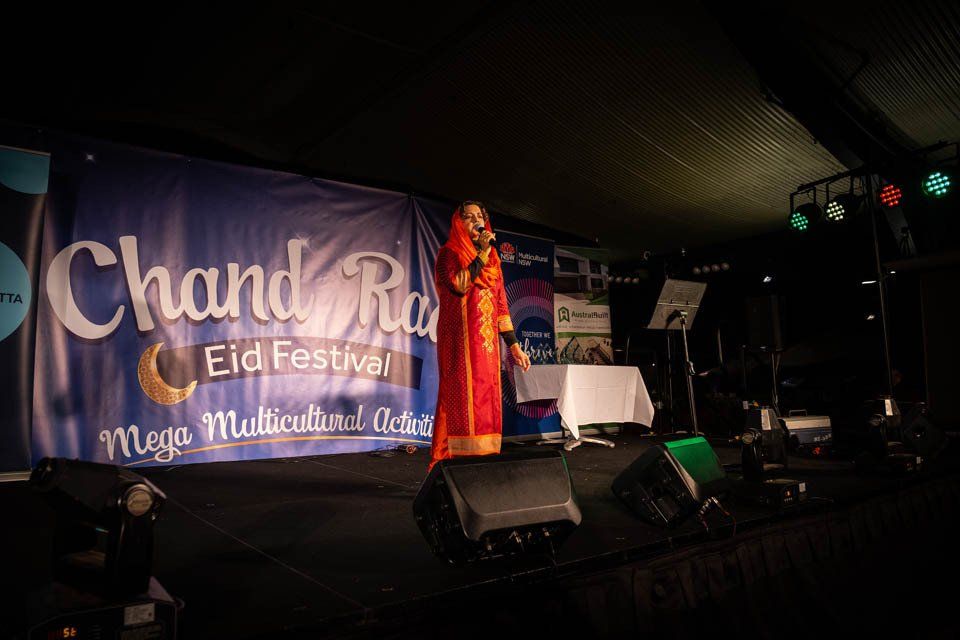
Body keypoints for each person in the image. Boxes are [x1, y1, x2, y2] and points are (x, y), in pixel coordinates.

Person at [429, 201, 531, 470]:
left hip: (486, 346)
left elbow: (501, 306)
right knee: (460, 398)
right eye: (469, 217)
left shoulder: (494, 260)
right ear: (459, 223)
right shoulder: (449, 254)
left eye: (480, 216)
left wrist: (514, 346)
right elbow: (459, 284)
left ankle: (483, 462)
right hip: (459, 341)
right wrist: (483, 252)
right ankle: (452, 461)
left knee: (486, 398)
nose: (476, 221)